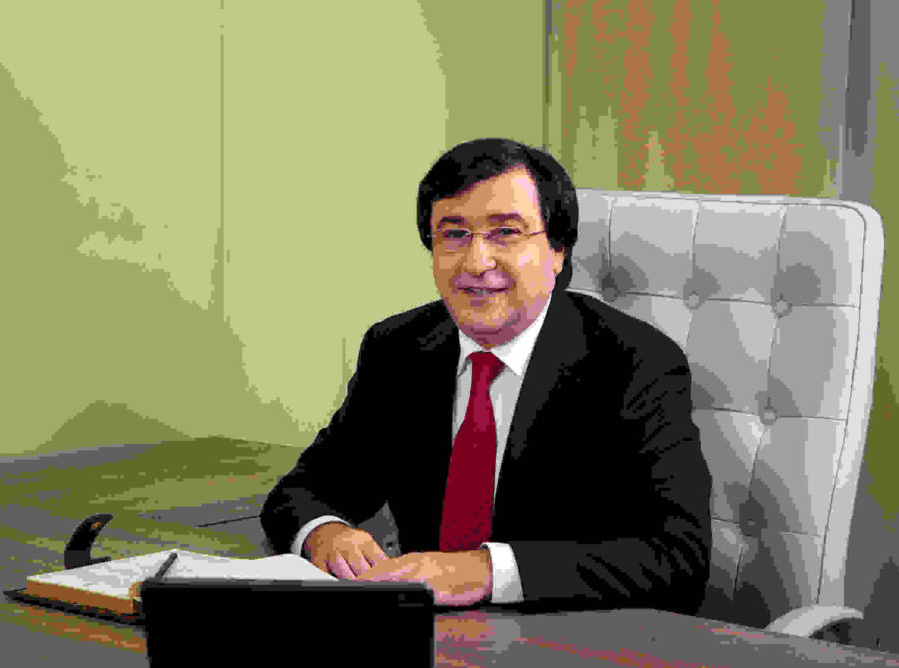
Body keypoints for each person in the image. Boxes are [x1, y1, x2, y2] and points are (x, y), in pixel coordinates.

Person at [260, 138, 712, 613]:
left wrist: (485, 572)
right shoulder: (399, 348)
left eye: (505, 233)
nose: (476, 262)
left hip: (565, 635)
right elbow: (301, 492)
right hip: (425, 632)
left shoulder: (633, 361)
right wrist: (326, 533)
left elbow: (678, 559)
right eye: (454, 234)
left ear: (557, 250)